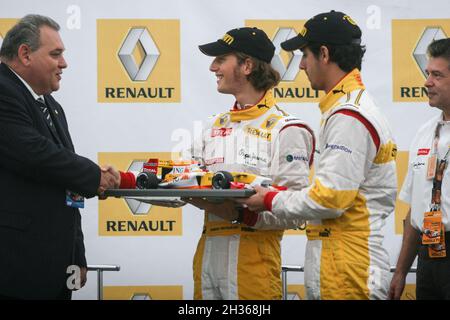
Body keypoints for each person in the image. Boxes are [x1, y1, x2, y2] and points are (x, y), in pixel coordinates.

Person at [240, 11, 397, 299]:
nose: (300, 65)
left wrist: (269, 198)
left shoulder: (350, 114)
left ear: (323, 54)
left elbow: (330, 198)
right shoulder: (347, 108)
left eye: (304, 55)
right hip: (340, 258)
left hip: (349, 263)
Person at [183, 27, 314, 300]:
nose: (212, 67)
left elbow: (297, 211)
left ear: (247, 65)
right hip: (207, 259)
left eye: (221, 59)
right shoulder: (211, 126)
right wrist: (125, 181)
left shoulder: (287, 128)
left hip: (253, 263)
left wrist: (240, 213)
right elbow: (178, 184)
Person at [0, 14, 118, 299]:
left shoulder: (51, 105)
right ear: (25, 54)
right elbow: (34, 154)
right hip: (14, 266)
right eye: (56, 54)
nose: (63, 63)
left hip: (54, 266)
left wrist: (76, 253)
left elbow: (65, 183)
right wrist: (95, 176)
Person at [389, 38, 450, 300]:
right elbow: (416, 209)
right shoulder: (425, 133)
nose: (427, 82)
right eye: (428, 74)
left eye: (437, 75)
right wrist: (402, 270)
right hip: (428, 254)